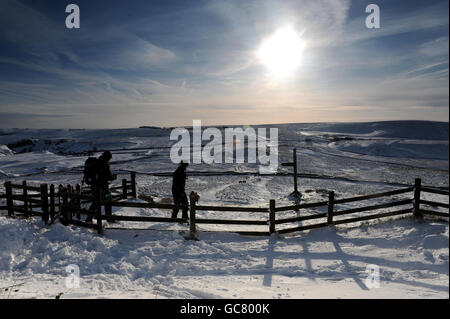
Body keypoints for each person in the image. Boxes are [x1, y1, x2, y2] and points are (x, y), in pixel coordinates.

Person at [86, 151, 117, 222]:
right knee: (108, 198)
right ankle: (108, 218)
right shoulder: (105, 163)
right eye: (110, 158)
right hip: (102, 186)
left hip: (94, 186)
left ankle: (89, 218)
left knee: (95, 202)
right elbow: (108, 177)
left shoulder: (97, 162)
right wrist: (113, 177)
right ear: (108, 157)